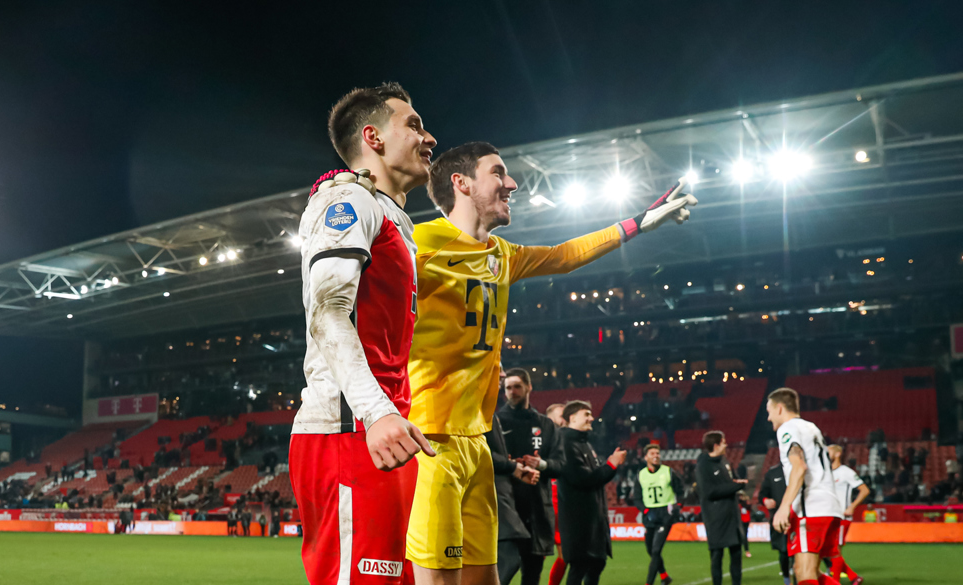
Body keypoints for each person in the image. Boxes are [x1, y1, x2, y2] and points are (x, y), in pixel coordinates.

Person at [407, 141, 696, 585]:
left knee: (486, 576)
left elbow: (564, 256)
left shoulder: (501, 254)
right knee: (437, 579)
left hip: (477, 441)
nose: (512, 183)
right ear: (460, 183)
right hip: (431, 436)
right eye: (498, 172)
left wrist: (638, 223)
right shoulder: (417, 241)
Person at [289, 82, 438, 585]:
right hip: (349, 432)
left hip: (384, 431)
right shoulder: (348, 198)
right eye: (413, 125)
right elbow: (327, 312)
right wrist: (376, 412)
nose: (428, 137)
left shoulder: (395, 218)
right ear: (373, 137)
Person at [767, 388, 843, 585]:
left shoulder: (788, 428)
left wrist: (784, 507)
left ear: (780, 408)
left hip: (811, 507)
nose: (768, 418)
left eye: (770, 411)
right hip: (829, 505)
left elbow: (799, 467)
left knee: (804, 572)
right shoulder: (811, 427)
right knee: (810, 571)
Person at [496, 369, 564, 585]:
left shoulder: (546, 424)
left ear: (529, 387)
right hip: (505, 508)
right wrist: (510, 465)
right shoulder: (495, 422)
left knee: (532, 576)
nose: (512, 392)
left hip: (536, 510)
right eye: (508, 387)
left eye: (517, 386)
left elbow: (561, 465)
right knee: (502, 572)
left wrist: (542, 464)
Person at [556, 401, 626, 585]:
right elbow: (583, 479)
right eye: (586, 414)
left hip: (593, 520)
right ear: (572, 418)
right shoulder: (566, 443)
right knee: (579, 566)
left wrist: (610, 465)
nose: (591, 418)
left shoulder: (584, 443)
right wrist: (611, 464)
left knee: (596, 563)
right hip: (579, 521)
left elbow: (594, 478)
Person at [490, 413, 542, 585]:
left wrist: (513, 467)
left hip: (498, 493)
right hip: (489, 495)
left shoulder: (488, 410)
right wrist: (512, 466)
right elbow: (478, 450)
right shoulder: (476, 408)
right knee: (507, 559)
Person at [696, 431, 747, 585]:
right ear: (716, 445)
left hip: (731, 514)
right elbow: (709, 492)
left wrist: (736, 485)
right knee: (717, 556)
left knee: (736, 554)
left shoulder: (724, 461)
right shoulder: (703, 466)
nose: (726, 445)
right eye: (723, 442)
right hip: (715, 517)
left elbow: (729, 483)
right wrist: (736, 486)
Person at [637, 443, 683, 585]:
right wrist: (645, 510)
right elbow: (637, 498)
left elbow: (680, 491)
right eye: (652, 454)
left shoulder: (668, 472)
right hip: (650, 514)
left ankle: (649, 583)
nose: (656, 456)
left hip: (665, 514)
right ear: (646, 457)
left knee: (656, 550)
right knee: (650, 549)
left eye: (657, 453)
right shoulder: (641, 475)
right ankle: (664, 576)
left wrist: (677, 507)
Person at [825, 447, 868, 585]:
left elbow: (864, 490)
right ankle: (854, 577)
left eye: (829, 451)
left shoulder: (846, 472)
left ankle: (834, 581)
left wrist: (852, 507)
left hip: (841, 517)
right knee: (827, 550)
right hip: (827, 516)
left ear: (838, 453)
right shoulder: (825, 472)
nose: (826, 453)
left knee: (835, 550)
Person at [545, 403, 569, 585]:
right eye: (561, 415)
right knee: (531, 557)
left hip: (562, 507)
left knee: (566, 555)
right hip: (543, 505)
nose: (564, 419)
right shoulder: (541, 441)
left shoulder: (567, 441)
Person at [759, 465, 792, 585]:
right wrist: (765, 500)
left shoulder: (800, 469)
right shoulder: (773, 472)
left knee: (802, 553)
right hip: (780, 519)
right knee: (783, 552)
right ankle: (787, 579)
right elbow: (762, 494)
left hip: (800, 518)